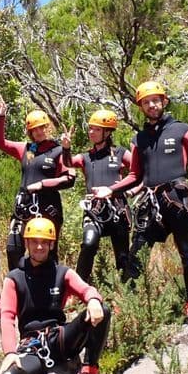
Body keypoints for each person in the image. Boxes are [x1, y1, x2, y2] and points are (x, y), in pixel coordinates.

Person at [92, 81, 188, 323]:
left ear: (164, 101)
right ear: (141, 107)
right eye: (146, 102)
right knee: (136, 252)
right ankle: (128, 302)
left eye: (155, 100)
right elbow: (135, 176)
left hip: (177, 198)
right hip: (151, 201)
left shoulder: (182, 130)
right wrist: (111, 190)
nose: (151, 105)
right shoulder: (139, 139)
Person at [0, 218, 111, 374]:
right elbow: (6, 316)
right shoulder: (14, 278)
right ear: (26, 243)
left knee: (103, 310)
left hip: (60, 339)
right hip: (33, 347)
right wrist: (9, 352)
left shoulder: (62, 272)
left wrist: (92, 299)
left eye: (44, 243)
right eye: (35, 242)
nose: (39, 247)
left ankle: (88, 373)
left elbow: (84, 288)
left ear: (51, 245)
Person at [0, 97, 75, 270]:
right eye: (34, 129)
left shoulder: (59, 150)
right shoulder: (26, 149)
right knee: (14, 248)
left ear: (48, 127)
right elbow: (0, 142)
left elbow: (69, 178)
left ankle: (50, 290)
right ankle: (19, 285)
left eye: (42, 127)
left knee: (47, 253)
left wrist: (43, 184)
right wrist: (0, 117)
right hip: (24, 206)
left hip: (47, 207)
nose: (39, 132)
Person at [61, 109, 139, 284]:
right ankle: (79, 287)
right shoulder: (86, 157)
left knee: (122, 256)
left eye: (96, 129)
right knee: (88, 244)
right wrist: (66, 148)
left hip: (117, 208)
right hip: (94, 210)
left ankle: (126, 293)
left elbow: (140, 172)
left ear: (108, 131)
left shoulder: (120, 153)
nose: (91, 132)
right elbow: (67, 163)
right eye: (90, 128)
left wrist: (130, 191)